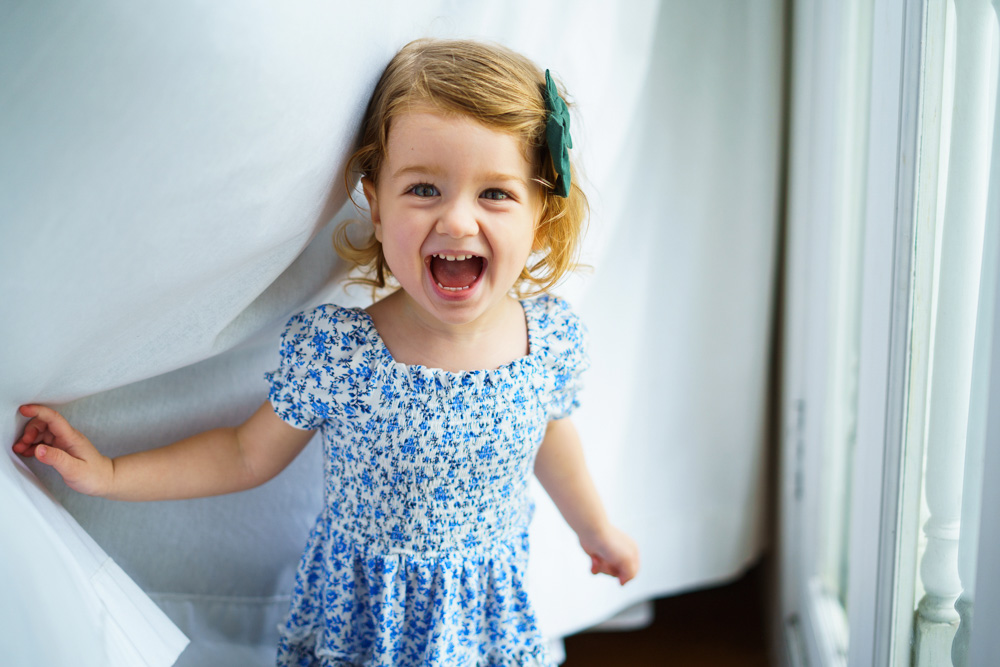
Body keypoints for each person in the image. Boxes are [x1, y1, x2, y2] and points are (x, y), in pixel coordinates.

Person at [13, 38, 639, 667]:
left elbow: (551, 437)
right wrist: (110, 474)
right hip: (364, 620)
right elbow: (242, 454)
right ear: (373, 196)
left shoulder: (548, 339)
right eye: (424, 189)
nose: (455, 222)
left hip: (482, 616)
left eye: (495, 194)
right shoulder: (342, 354)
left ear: (540, 209)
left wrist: (596, 529)